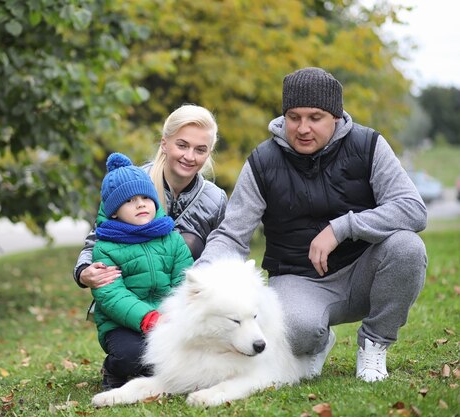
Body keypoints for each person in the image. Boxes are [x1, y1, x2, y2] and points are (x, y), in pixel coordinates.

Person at [195, 67, 427, 382]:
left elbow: (413, 209)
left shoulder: (369, 145)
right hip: (299, 279)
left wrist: (342, 228)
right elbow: (231, 235)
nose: (303, 128)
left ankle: (374, 343)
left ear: (335, 116)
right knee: (292, 331)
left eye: (314, 117)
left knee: (407, 247)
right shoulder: (263, 162)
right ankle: (315, 342)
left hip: (365, 272)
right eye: (294, 117)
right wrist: (202, 279)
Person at [73, 104, 227, 290]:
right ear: (164, 144)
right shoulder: (131, 181)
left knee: (189, 241)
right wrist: (83, 271)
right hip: (129, 295)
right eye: (182, 145)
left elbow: (222, 255)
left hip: (186, 299)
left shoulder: (215, 199)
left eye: (200, 150)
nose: (189, 156)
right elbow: (98, 237)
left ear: (209, 152)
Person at [90, 152, 194, 390]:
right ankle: (113, 367)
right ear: (114, 211)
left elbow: (184, 279)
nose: (140, 204)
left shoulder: (170, 238)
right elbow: (112, 295)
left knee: (180, 355)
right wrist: (148, 318)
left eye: (145, 197)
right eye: (129, 200)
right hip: (123, 325)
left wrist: (178, 314)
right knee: (134, 357)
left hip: (168, 319)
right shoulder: (106, 247)